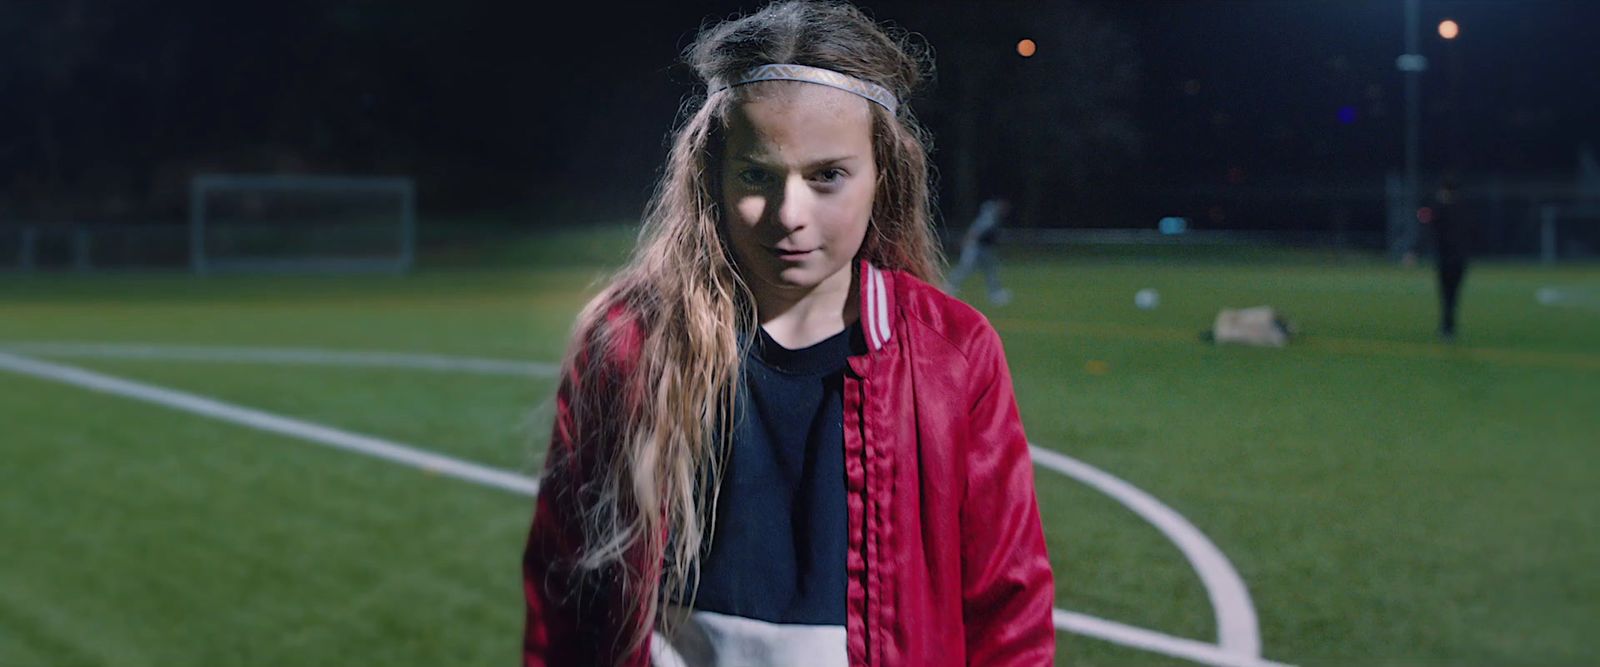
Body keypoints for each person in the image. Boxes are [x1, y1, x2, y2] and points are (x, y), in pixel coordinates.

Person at [521, 3, 1056, 666]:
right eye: (757, 175)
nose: (789, 215)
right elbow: (562, 582)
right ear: (711, 173)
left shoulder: (953, 351)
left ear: (883, 175)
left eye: (827, 175)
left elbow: (1009, 612)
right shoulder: (630, 339)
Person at [943, 198, 1013, 305]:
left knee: (991, 270)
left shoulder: (993, 219)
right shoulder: (987, 218)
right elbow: (975, 232)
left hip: (984, 249)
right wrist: (966, 242)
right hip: (975, 248)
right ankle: (949, 287)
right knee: (965, 268)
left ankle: (995, 294)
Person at [1427, 175, 1469, 341]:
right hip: (1461, 258)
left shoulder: (1439, 208)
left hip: (1445, 258)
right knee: (1453, 294)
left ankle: (1447, 327)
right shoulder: (1464, 208)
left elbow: (1430, 228)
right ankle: (1449, 326)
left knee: (1446, 294)